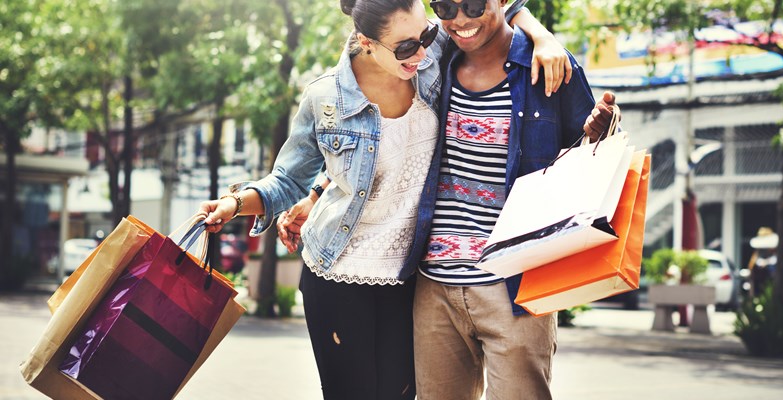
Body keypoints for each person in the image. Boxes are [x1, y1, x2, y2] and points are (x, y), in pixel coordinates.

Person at [198, 0, 575, 398]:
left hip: (407, 278)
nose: (422, 52)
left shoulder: (432, 63)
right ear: (366, 42)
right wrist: (235, 204)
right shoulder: (326, 99)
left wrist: (542, 35)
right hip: (337, 273)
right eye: (405, 47)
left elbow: (486, 11)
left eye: (426, 36)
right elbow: (286, 179)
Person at [410, 0, 617, 398]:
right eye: (445, 7)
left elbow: (590, 156)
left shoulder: (550, 64)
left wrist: (597, 131)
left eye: (472, 5)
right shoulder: (432, 62)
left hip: (516, 287)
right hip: (434, 286)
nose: (460, 20)